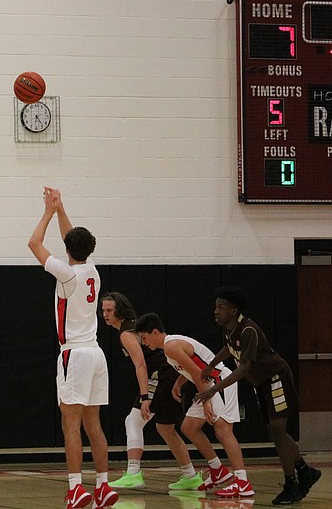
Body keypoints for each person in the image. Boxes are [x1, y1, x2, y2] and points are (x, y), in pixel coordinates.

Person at [27, 187, 119, 509]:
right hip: (96, 354)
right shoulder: (91, 270)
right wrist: (62, 208)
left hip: (74, 355)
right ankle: (104, 486)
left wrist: (50, 212)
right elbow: (72, 240)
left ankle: (76, 488)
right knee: (93, 424)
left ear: (69, 249)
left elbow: (34, 244)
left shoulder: (67, 274)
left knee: (71, 424)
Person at [194, 286, 322, 505]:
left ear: (233, 310)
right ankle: (304, 470)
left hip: (276, 379)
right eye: (216, 306)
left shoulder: (248, 330)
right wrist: (210, 365)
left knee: (279, 433)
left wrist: (215, 388)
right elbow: (228, 348)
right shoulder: (228, 329)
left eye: (221, 307)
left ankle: (292, 484)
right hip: (261, 383)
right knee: (274, 433)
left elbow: (244, 367)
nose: (216, 311)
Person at [135, 313, 254, 499]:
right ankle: (218, 470)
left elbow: (199, 374)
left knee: (223, 431)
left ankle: (242, 482)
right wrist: (180, 382)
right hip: (207, 385)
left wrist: (206, 402)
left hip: (219, 382)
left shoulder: (171, 346)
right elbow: (194, 367)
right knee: (189, 427)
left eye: (144, 337)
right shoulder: (170, 347)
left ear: (155, 332)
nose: (143, 343)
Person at [101, 293, 200, 491]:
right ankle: (191, 475)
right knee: (165, 428)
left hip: (161, 376)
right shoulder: (132, 327)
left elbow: (141, 364)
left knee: (133, 421)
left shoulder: (126, 333)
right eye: (103, 310)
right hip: (171, 375)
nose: (105, 314)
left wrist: (145, 397)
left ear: (120, 310)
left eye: (109, 310)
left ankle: (133, 472)